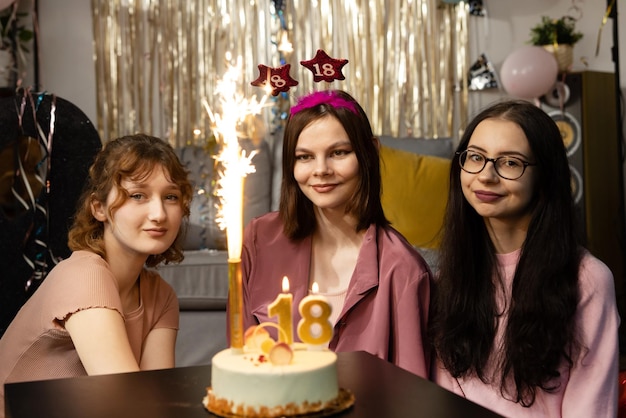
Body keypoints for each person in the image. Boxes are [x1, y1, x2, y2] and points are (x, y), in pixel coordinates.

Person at [429, 100, 620, 417]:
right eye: (475, 157)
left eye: (510, 163)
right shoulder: (448, 271)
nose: (486, 176)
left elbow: (591, 407)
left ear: (544, 175)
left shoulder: (587, 279)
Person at [236, 89, 431, 377]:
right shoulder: (258, 240)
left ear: (370, 152)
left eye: (338, 153)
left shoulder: (403, 271)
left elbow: (412, 394)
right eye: (304, 157)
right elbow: (240, 359)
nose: (321, 170)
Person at [0, 133, 192, 416]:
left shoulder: (161, 297)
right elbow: (129, 407)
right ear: (99, 208)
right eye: (138, 195)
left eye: (171, 197)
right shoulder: (84, 275)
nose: (159, 213)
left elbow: (156, 404)